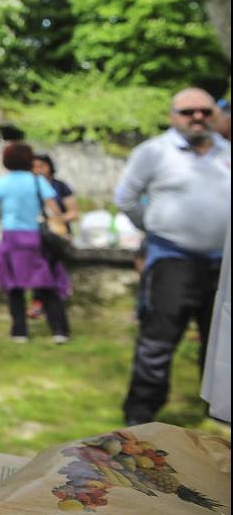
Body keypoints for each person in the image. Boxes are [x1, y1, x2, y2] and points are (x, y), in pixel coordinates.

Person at [114, 87, 231, 426]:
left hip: (223, 266)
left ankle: (218, 413)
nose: (198, 117)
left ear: (216, 115)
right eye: (188, 111)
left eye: (205, 111)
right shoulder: (153, 152)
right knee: (157, 341)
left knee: (220, 344)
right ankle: (140, 418)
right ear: (172, 116)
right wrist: (154, 230)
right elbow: (126, 199)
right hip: (172, 260)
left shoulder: (226, 151)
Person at [0, 143, 72, 343]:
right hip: (35, 238)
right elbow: (55, 210)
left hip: (10, 238)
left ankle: (19, 331)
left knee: (14, 287)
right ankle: (59, 331)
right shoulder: (37, 182)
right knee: (47, 283)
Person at [29, 153, 78, 318]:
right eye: (34, 167)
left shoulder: (61, 187)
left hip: (57, 233)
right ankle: (40, 300)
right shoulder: (31, 187)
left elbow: (73, 213)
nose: (38, 170)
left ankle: (52, 297)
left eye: (41, 166)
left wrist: (55, 221)